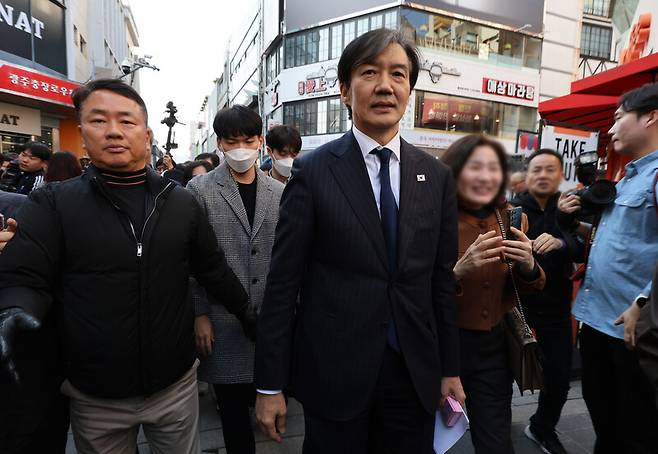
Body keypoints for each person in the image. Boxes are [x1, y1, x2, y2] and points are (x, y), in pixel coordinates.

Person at [0, 78, 255, 454]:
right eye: (99, 121)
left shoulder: (182, 204)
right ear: (83, 133)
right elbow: (24, 274)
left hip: (175, 385)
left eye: (127, 121)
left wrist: (250, 315)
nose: (114, 131)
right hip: (94, 394)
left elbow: (213, 270)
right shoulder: (52, 204)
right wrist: (15, 308)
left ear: (148, 134)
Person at [255, 29, 464, 454]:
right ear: (345, 91)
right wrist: (270, 385)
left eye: (398, 74)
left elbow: (441, 282)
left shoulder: (436, 176)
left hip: (414, 375)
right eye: (370, 72)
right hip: (335, 375)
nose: (385, 85)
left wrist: (449, 368)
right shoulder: (313, 173)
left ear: (409, 90)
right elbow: (282, 287)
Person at [561, 82, 658, 453]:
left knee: (638, 431)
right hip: (597, 323)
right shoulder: (625, 179)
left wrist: (644, 303)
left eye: (619, 119)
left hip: (634, 332)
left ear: (650, 117)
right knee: (606, 422)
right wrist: (571, 222)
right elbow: (615, 242)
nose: (611, 129)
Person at [190, 105, 285, 454]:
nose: (241, 148)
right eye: (232, 142)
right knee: (231, 411)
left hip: (272, 318)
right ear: (219, 144)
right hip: (223, 317)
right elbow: (191, 260)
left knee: (271, 396)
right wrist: (199, 313)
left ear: (261, 141)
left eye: (248, 140)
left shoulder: (278, 192)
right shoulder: (199, 189)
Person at [442, 135, 545, 454]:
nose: (485, 176)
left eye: (492, 168)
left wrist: (529, 266)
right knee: (428, 436)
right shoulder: (432, 219)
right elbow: (413, 288)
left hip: (493, 350)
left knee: (495, 441)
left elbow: (527, 284)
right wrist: (458, 271)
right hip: (441, 347)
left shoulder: (511, 218)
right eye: (475, 167)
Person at [512, 149, 584, 454]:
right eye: (537, 169)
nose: (543, 175)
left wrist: (562, 242)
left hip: (556, 305)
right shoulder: (513, 209)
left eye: (550, 170)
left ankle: (542, 428)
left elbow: (584, 247)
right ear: (527, 175)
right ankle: (495, 425)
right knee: (503, 374)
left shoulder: (569, 208)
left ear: (560, 175)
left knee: (558, 376)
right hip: (517, 307)